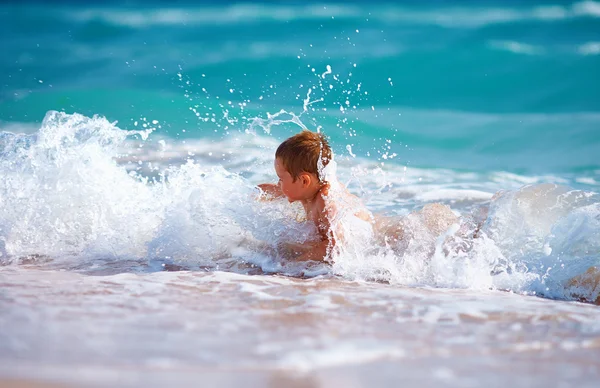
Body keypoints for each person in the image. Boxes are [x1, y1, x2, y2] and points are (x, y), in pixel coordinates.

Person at [258, 130, 372, 262]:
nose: (279, 184)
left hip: (362, 229)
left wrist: (296, 264)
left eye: (281, 179)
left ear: (304, 181)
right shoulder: (307, 187)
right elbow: (272, 191)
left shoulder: (325, 202)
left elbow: (335, 245)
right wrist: (253, 195)